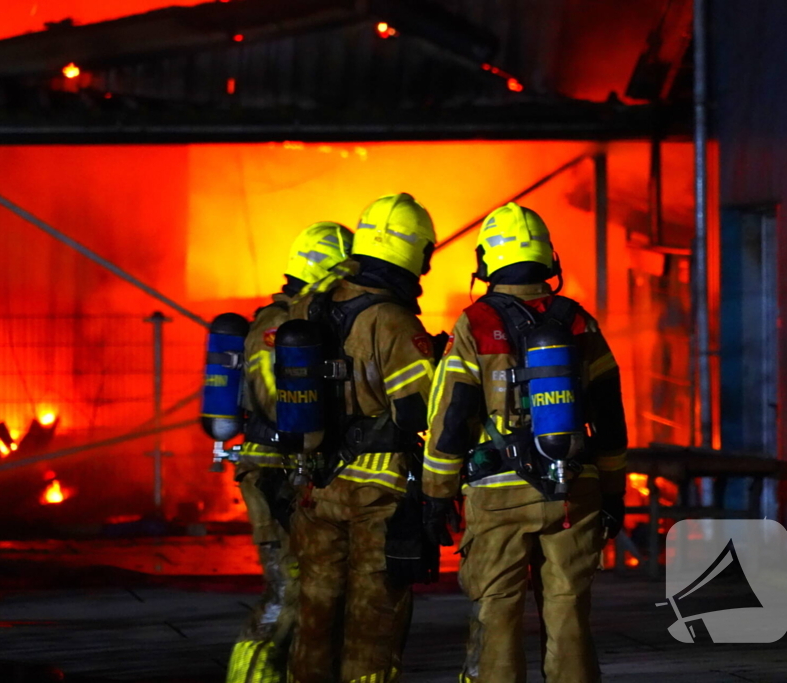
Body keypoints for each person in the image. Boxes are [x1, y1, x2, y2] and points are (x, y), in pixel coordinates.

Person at [422, 202, 628, 683]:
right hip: (573, 490)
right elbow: (609, 414)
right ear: (548, 257)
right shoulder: (578, 322)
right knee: (569, 610)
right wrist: (614, 491)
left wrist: (436, 495)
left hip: (498, 497)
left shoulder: (475, 324)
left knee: (496, 611)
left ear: (485, 262)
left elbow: (451, 417)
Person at [286, 193, 438, 683]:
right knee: (373, 622)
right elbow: (417, 412)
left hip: (317, 485)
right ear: (414, 251)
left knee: (315, 618)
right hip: (377, 495)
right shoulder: (392, 320)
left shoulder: (313, 303)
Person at [226, 222, 353, 683]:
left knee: (309, 595)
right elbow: (271, 399)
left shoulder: (307, 323)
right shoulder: (277, 326)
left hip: (294, 472)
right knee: (286, 593)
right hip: (272, 472)